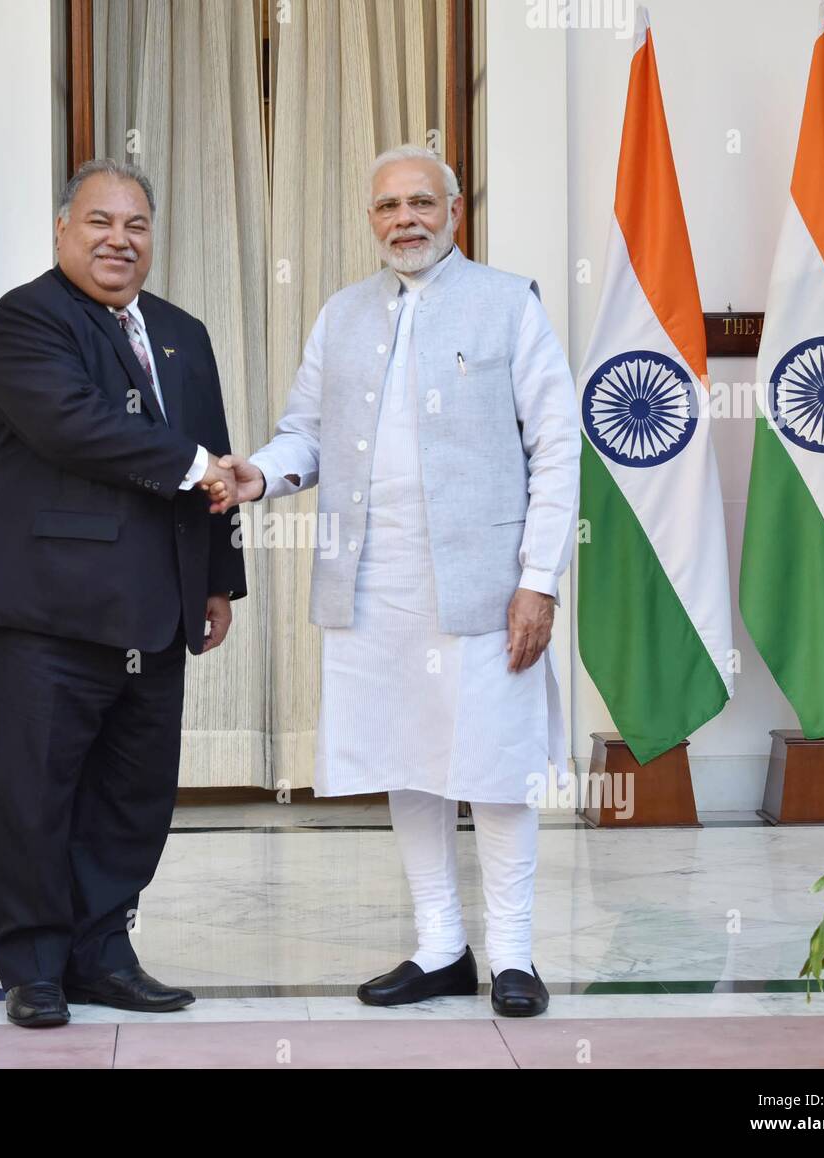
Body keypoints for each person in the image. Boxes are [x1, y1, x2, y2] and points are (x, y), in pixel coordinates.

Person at [209, 144, 580, 1016]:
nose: (404, 219)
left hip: (486, 582)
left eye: (421, 202)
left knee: (492, 761)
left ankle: (515, 955)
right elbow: (304, 432)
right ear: (370, 220)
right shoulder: (341, 316)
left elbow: (557, 446)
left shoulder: (508, 304)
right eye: (386, 207)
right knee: (405, 756)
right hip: (372, 582)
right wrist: (259, 474)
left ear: (454, 210)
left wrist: (539, 578)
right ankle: (441, 946)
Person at [0, 158, 247, 1027]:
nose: (119, 240)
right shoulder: (26, 319)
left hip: (157, 614)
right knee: (32, 797)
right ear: (62, 231)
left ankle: (103, 954)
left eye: (136, 226)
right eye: (99, 222)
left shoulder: (181, 332)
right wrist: (197, 465)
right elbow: (74, 426)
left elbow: (217, 453)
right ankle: (35, 968)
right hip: (42, 618)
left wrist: (219, 579)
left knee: (133, 799)